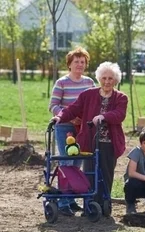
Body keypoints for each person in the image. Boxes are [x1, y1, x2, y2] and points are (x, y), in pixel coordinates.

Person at [52, 62, 128, 213]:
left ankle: (104, 206)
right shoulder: (88, 95)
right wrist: (59, 117)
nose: (107, 81)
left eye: (110, 78)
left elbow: (120, 114)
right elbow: (73, 109)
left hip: (109, 142)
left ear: (116, 80)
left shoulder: (121, 97)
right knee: (89, 174)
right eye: (104, 78)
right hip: (89, 141)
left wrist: (103, 116)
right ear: (99, 78)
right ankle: (89, 206)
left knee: (105, 175)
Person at [48, 46, 95, 216]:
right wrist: (69, 117)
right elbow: (53, 106)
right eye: (76, 62)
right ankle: (62, 202)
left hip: (82, 128)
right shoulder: (62, 83)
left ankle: (72, 199)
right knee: (67, 161)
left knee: (78, 163)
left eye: (82, 62)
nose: (80, 65)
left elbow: (94, 103)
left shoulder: (89, 83)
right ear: (69, 64)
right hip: (65, 127)